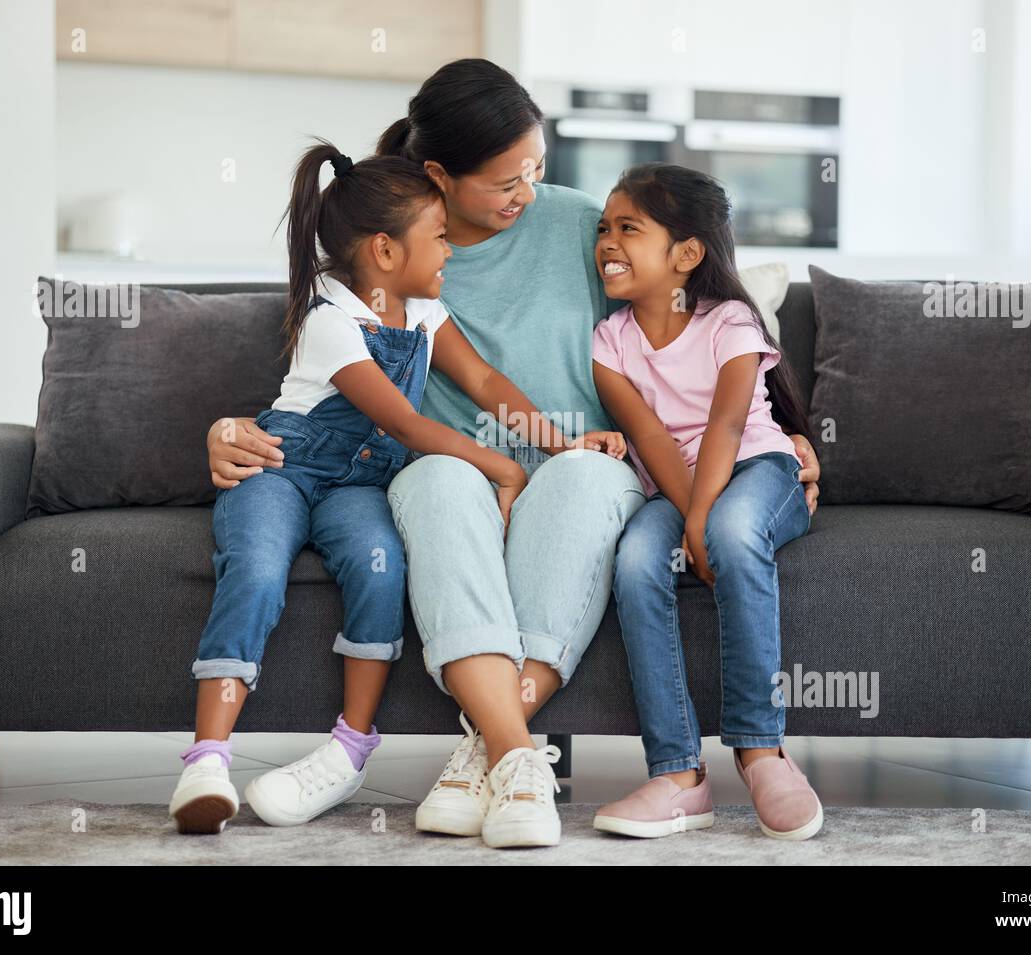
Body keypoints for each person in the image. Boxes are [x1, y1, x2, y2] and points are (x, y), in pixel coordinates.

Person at [205, 59, 821, 849]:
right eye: (505, 181)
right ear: (439, 176)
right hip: (453, 476)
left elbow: (696, 320)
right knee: (434, 481)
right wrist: (224, 430)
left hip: (584, 469)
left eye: (535, 169)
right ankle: (514, 754)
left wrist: (784, 427)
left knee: (582, 473)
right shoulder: (392, 256)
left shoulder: (582, 228)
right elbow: (316, 385)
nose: (525, 193)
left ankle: (483, 752)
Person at [171, 138, 621, 835]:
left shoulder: (423, 312)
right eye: (438, 238)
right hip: (283, 469)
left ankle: (351, 745)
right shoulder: (329, 317)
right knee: (256, 571)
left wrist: (563, 444)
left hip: (356, 487)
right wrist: (501, 467)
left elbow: (485, 383)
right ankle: (207, 758)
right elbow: (406, 423)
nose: (449, 252)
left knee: (381, 571)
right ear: (384, 251)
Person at [590, 163, 821, 841]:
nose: (607, 241)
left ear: (687, 254)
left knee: (734, 531)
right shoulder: (611, 341)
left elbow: (725, 426)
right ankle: (679, 774)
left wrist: (701, 521)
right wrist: (689, 516)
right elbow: (651, 437)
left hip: (756, 467)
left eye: (628, 228)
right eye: (604, 227)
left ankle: (761, 749)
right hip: (676, 485)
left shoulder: (730, 321)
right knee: (634, 560)